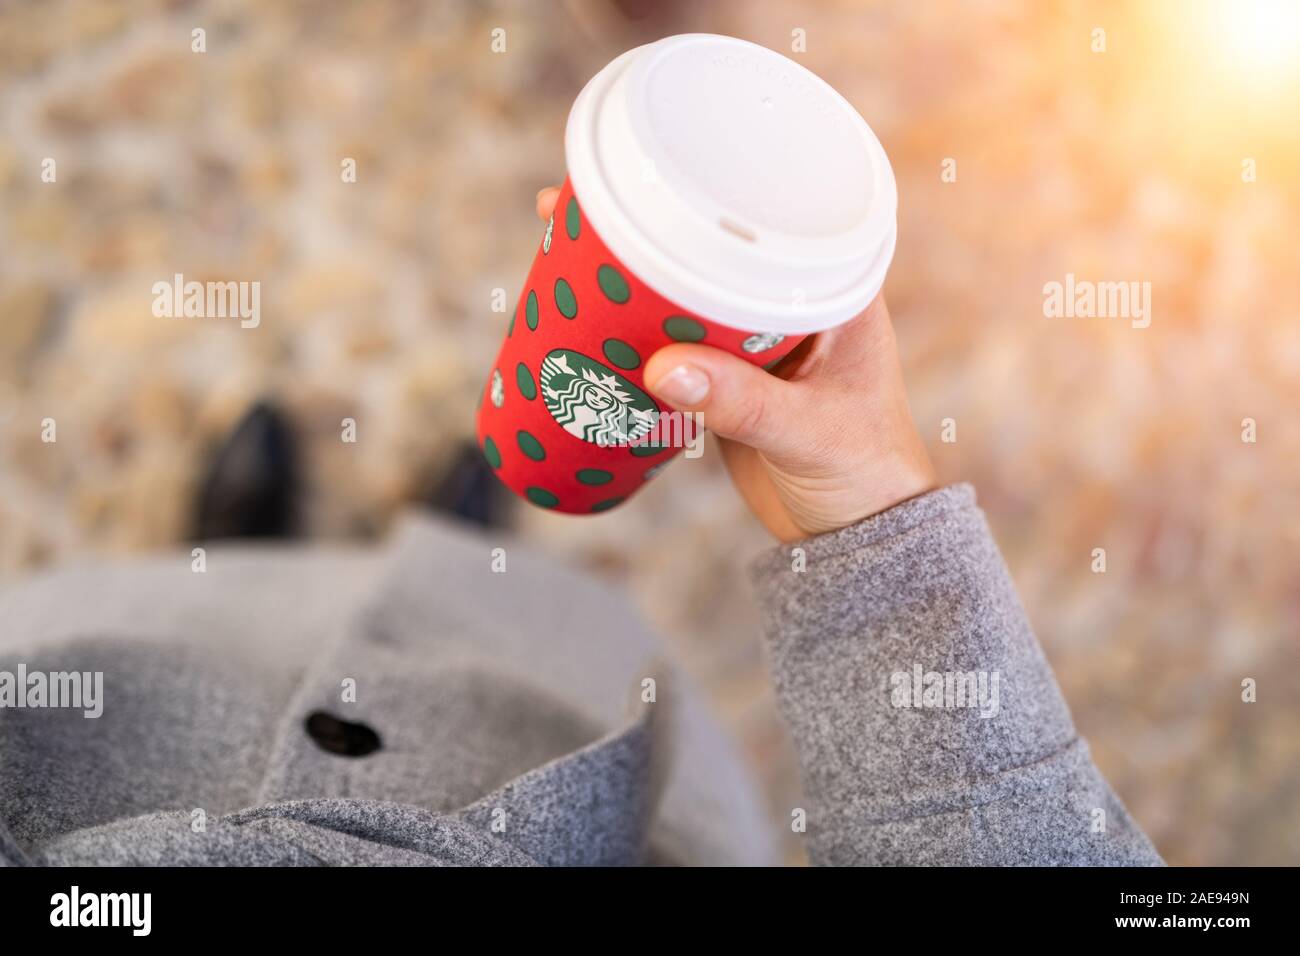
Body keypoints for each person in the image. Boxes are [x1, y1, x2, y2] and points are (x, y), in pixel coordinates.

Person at [0, 188, 1161, 867]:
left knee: (208, 603)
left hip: (123, 694)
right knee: (484, 595)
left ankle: (254, 556)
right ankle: (432, 551)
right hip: (579, 751)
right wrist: (881, 555)